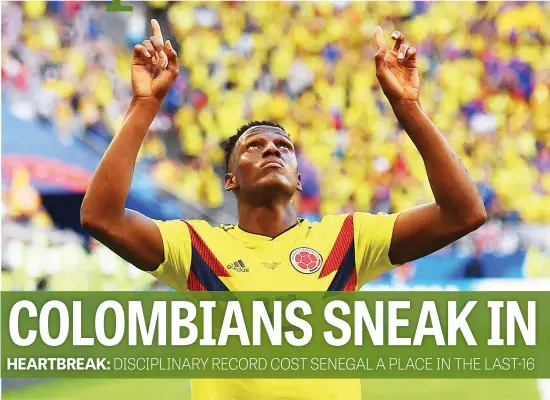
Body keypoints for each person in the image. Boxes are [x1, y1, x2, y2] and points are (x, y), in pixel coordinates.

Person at [81, 19, 487, 400]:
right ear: (230, 180)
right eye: (253, 147)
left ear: (297, 180)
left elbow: (463, 213)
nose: (271, 148)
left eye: (283, 147)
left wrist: (409, 108)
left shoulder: (347, 240)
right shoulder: (195, 248)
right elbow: (101, 217)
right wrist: (144, 103)